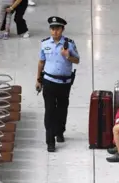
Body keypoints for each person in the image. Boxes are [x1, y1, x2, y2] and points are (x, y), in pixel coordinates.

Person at [36, 16, 80, 152]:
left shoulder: (69, 44)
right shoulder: (44, 44)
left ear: (62, 29)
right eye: (52, 29)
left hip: (64, 83)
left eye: (58, 29)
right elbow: (41, 62)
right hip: (49, 81)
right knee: (49, 111)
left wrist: (68, 56)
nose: (55, 31)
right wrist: (38, 79)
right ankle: (50, 141)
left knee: (62, 108)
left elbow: (77, 60)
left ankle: (60, 131)